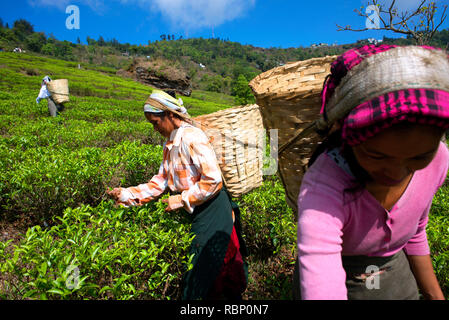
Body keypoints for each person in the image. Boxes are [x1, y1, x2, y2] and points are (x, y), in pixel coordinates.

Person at [295, 45, 449, 300]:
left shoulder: (439, 160)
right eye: (376, 155)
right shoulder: (324, 182)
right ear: (348, 139)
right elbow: (321, 271)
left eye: (419, 157)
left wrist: (435, 295)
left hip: (395, 275)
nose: (396, 172)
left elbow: (416, 230)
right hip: (342, 273)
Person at [107, 90, 248, 300]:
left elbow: (213, 180)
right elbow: (160, 181)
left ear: (170, 115)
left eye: (156, 122)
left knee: (207, 271)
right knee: (206, 271)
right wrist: (127, 194)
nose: (155, 129)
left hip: (213, 207)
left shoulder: (192, 137)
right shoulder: (170, 143)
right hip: (198, 207)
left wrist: (181, 199)